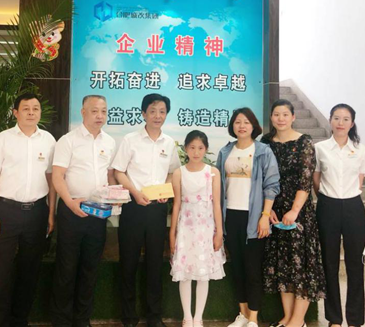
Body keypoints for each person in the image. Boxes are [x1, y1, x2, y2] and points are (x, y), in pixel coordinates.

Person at [0, 92, 57, 327]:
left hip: (37, 212)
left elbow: (52, 180)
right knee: (2, 271)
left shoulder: (48, 140)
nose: (31, 113)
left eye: (36, 108)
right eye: (26, 108)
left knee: (30, 270)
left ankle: (20, 320)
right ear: (15, 113)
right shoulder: (2, 139)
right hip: (6, 212)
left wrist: (50, 213)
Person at [112, 93, 180, 327]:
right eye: (152, 111)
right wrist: (134, 192)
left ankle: (154, 316)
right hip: (133, 207)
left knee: (154, 264)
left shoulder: (169, 143)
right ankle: (128, 317)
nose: (157, 116)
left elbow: (172, 172)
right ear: (143, 114)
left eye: (162, 111)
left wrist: (166, 191)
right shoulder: (130, 140)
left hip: (157, 210)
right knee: (128, 263)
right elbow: (118, 171)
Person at [51, 95, 117, 327]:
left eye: (104, 111)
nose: (100, 116)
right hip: (71, 210)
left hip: (97, 213)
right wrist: (70, 203)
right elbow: (57, 177)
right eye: (95, 111)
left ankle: (82, 320)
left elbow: (109, 175)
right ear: (83, 112)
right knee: (66, 268)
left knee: (90, 268)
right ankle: (61, 321)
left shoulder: (109, 142)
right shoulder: (68, 141)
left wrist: (114, 197)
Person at [260, 99, 325, 327]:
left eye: (285, 114)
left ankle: (298, 320)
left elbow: (305, 181)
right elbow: (261, 178)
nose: (281, 119)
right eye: (276, 114)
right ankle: (287, 317)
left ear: (293, 117)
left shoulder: (304, 142)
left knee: (301, 265)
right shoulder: (265, 142)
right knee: (282, 265)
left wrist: (294, 211)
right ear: (271, 117)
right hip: (274, 210)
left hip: (298, 211)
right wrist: (268, 209)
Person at [217, 108, 280, 327]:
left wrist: (265, 216)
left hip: (254, 217)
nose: (241, 126)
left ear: (253, 126)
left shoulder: (263, 151)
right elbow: (218, 186)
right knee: (237, 269)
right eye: (237, 122)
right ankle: (242, 314)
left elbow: (272, 185)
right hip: (230, 216)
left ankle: (253, 318)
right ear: (232, 126)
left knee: (253, 270)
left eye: (246, 122)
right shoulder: (225, 151)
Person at [313, 104, 365, 327]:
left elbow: (360, 179)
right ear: (330, 120)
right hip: (327, 206)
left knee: (356, 264)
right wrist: (327, 197)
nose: (341, 123)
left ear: (352, 123)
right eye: (336, 118)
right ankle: (334, 318)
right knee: (329, 263)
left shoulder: (360, 149)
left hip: (354, 207)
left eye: (346, 119)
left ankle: (355, 319)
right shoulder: (320, 148)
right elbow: (316, 178)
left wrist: (347, 196)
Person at [169, 130, 226, 327]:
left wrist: (219, 232)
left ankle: (198, 318)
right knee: (184, 274)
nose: (196, 152)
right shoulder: (179, 173)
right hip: (185, 229)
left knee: (203, 274)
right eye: (192, 147)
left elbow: (217, 204)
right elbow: (176, 204)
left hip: (206, 229)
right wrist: (172, 232)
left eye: (200, 148)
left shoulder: (213, 172)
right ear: (185, 149)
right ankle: (187, 318)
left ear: (206, 149)